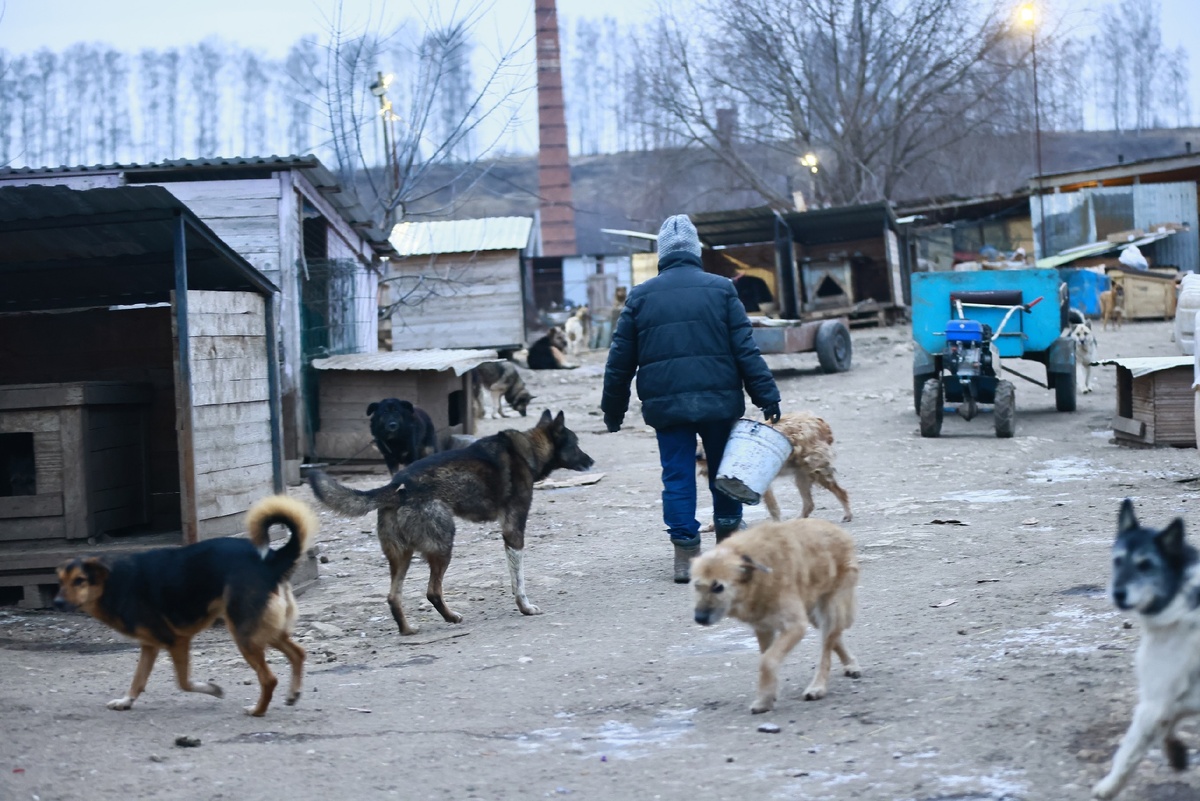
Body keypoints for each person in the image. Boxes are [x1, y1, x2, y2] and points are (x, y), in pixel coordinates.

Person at [600, 214, 782, 583]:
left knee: (677, 475)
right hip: (719, 403)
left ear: (661, 254)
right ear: (696, 250)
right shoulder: (721, 289)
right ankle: (729, 550)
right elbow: (745, 350)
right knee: (724, 473)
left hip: (666, 407)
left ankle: (685, 556)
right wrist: (767, 396)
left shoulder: (640, 296)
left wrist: (613, 410)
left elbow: (619, 362)